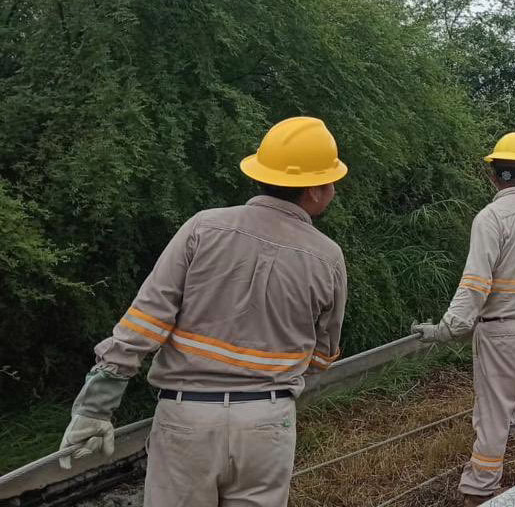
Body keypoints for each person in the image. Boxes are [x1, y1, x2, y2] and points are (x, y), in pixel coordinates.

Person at [58, 117, 349, 506]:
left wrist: (96, 405)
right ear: (315, 189)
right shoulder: (327, 257)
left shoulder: (204, 227)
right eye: (331, 180)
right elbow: (324, 354)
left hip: (186, 417)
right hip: (267, 421)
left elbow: (146, 318)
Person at [411, 132, 515, 507]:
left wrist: (448, 329)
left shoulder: (491, 218)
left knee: (494, 415)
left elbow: (475, 284)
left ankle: (480, 491)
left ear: (494, 175)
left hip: (503, 331)